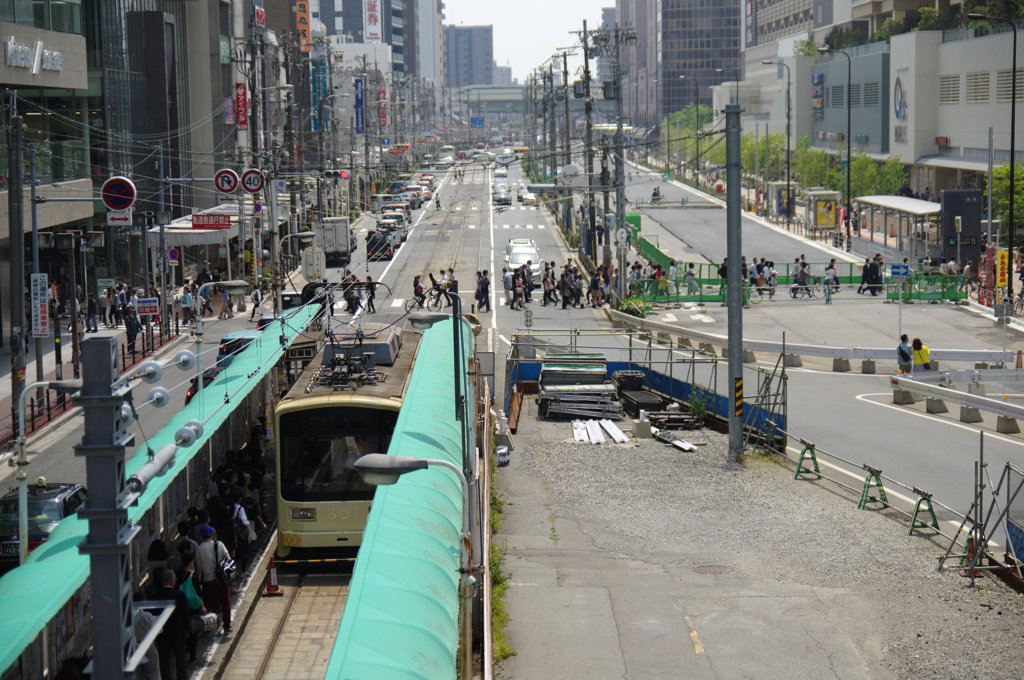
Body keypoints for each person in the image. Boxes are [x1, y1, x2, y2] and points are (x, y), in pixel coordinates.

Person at [195, 525, 233, 634]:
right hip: (221, 578)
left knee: (208, 602)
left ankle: (208, 625)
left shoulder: (199, 549)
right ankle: (227, 625)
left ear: (202, 536)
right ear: (211, 534)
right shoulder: (219, 544)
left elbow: (199, 567)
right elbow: (228, 559)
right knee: (225, 601)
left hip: (208, 579)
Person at [154, 569, 190, 680]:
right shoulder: (180, 595)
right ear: (172, 581)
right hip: (177, 633)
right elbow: (185, 614)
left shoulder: (155, 596)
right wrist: (187, 629)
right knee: (180, 661)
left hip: (162, 634)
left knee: (164, 662)